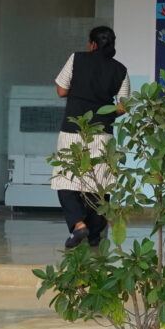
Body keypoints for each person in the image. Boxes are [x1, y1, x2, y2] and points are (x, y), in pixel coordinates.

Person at [53, 26, 128, 249]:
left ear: (92, 44)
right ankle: (94, 236)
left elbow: (61, 90)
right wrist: (104, 113)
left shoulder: (77, 58)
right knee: (99, 185)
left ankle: (78, 225)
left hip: (73, 130)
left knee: (65, 180)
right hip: (102, 134)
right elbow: (123, 106)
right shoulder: (120, 70)